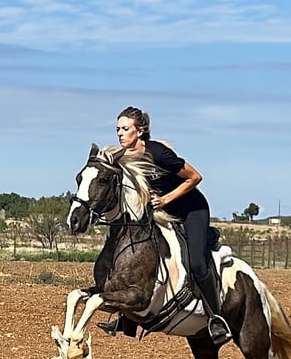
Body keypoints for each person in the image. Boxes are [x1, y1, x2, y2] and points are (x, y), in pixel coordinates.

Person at [96, 106, 232, 346]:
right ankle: (127, 317)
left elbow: (195, 177)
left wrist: (167, 199)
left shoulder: (159, 153)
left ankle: (216, 318)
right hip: (161, 211)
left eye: (125, 129)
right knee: (140, 252)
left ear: (140, 131)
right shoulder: (123, 156)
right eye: (117, 129)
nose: (119, 134)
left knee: (198, 263)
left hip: (191, 209)